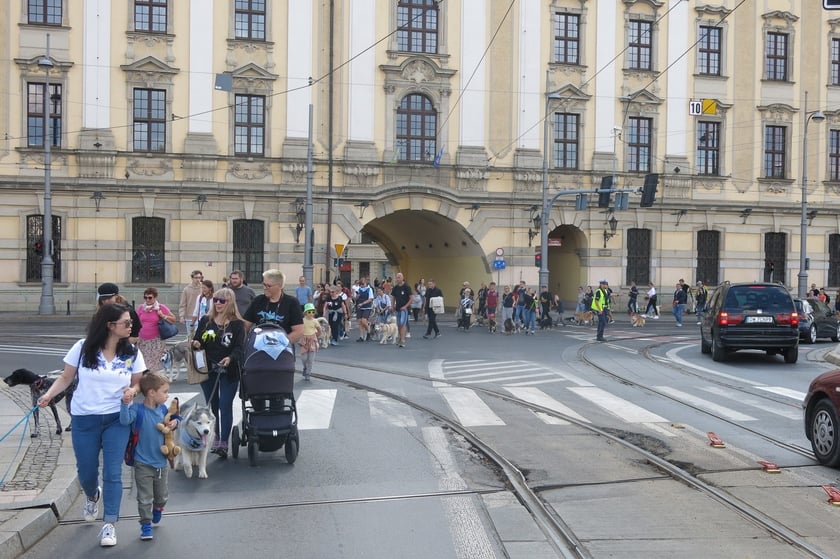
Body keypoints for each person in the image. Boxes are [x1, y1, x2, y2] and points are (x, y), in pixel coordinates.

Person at [37, 303, 146, 548]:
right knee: (86, 471)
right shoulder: (83, 348)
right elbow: (66, 378)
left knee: (113, 472)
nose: (131, 327)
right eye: (126, 323)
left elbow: (138, 382)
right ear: (109, 325)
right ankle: (91, 494)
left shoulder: (131, 352)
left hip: (116, 418)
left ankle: (109, 524)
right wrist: (48, 396)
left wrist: (132, 390)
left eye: (131, 322)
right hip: (85, 418)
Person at [120, 372, 178, 541]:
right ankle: (145, 525)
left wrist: (175, 423)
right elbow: (124, 421)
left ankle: (158, 508)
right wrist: (125, 404)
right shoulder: (137, 410)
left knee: (162, 495)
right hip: (142, 463)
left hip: (161, 462)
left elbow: (171, 423)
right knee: (144, 497)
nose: (167, 396)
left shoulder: (163, 410)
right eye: (165, 392)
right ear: (152, 392)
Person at [192, 287, 246, 459]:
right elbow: (198, 339)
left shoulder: (237, 324)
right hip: (208, 369)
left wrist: (230, 358)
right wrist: (195, 343)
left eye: (222, 300)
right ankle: (215, 439)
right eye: (215, 300)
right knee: (212, 406)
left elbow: (239, 348)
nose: (217, 303)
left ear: (229, 302)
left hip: (228, 370)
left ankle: (223, 442)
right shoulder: (206, 321)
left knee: (224, 405)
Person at [243, 270, 304, 343]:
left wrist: (279, 343)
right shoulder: (258, 301)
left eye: (268, 286)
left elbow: (298, 331)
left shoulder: (291, 302)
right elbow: (245, 326)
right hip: (259, 347)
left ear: (280, 286)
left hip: (282, 348)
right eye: (264, 284)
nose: (265, 288)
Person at [136, 287, 176, 374]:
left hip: (156, 340)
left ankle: (153, 381)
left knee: (154, 364)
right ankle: (145, 381)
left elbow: (173, 319)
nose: (147, 299)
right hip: (142, 340)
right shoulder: (141, 308)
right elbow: (136, 321)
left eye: (150, 297)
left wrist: (162, 315)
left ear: (155, 297)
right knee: (143, 362)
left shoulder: (161, 308)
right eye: (145, 297)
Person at [299, 303, 321, 380]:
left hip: (312, 340)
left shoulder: (315, 321)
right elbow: (299, 329)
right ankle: (305, 367)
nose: (311, 313)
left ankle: (308, 373)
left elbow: (319, 330)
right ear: (305, 313)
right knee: (304, 358)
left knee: (311, 360)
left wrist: (316, 337)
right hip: (304, 340)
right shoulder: (302, 320)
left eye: (312, 312)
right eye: (309, 312)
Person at [178, 270, 203, 337]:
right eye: (196, 278)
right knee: (190, 337)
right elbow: (182, 304)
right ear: (192, 278)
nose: (198, 279)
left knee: (199, 337)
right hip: (189, 317)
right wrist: (181, 316)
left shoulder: (203, 288)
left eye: (199, 278)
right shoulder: (186, 289)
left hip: (200, 317)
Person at [392, 272, 412, 347]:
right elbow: (393, 297)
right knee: (399, 324)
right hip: (397, 309)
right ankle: (400, 338)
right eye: (397, 277)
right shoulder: (395, 287)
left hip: (404, 309)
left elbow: (411, 298)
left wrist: (405, 306)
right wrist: (392, 306)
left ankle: (403, 340)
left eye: (399, 277)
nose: (397, 279)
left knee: (403, 323)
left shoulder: (407, 287)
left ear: (402, 278)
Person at [355, 276, 374, 342]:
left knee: (363, 321)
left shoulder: (369, 289)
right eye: (361, 284)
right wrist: (357, 296)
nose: (362, 285)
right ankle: (361, 336)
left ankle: (368, 331)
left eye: (363, 284)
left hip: (367, 307)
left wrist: (362, 303)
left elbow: (370, 299)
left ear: (366, 283)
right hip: (360, 307)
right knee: (360, 322)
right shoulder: (359, 289)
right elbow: (356, 298)